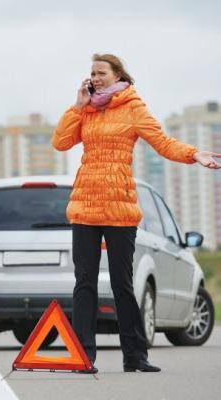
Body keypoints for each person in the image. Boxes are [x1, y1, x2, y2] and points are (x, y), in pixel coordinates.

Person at [52, 53, 221, 373]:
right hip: (85, 207)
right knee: (84, 281)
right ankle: (84, 356)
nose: (96, 78)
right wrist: (77, 106)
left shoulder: (133, 107)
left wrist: (194, 154)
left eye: (101, 72)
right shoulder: (86, 109)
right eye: (92, 73)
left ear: (118, 76)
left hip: (120, 209)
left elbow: (162, 142)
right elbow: (61, 142)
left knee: (122, 283)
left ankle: (135, 356)